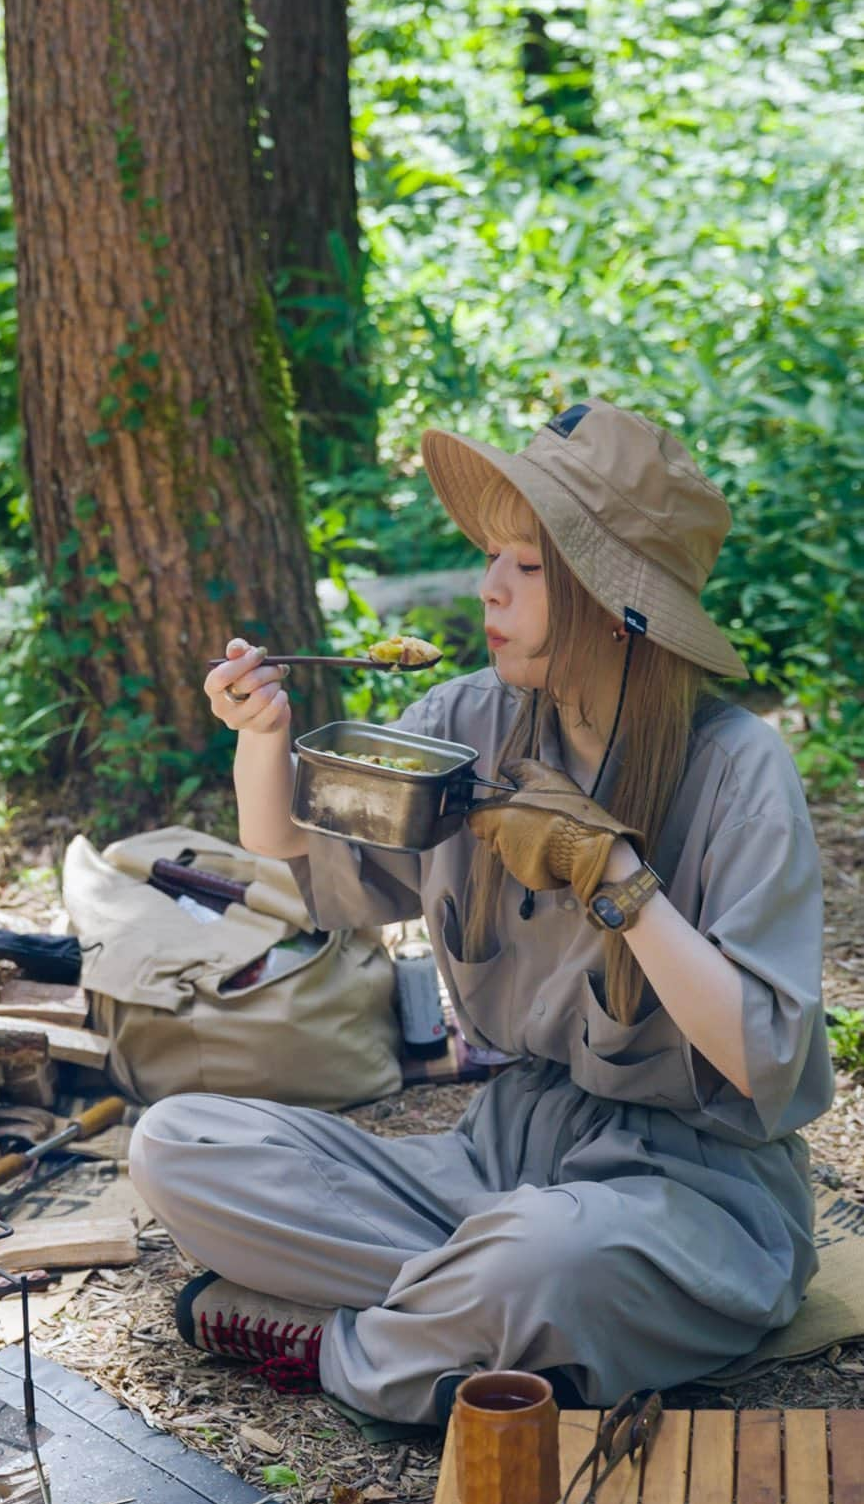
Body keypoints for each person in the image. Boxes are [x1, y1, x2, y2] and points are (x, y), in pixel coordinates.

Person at [128, 397, 833, 1424]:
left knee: (547, 1262)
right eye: (492, 555)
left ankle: (340, 1339)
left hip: (690, 1192)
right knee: (176, 1143)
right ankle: (468, 1314)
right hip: (497, 1157)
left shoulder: (733, 769)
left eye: (528, 565)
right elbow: (293, 845)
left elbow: (759, 1055)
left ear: (612, 599)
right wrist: (257, 732)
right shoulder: (467, 721)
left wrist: (619, 880)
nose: (487, 586)